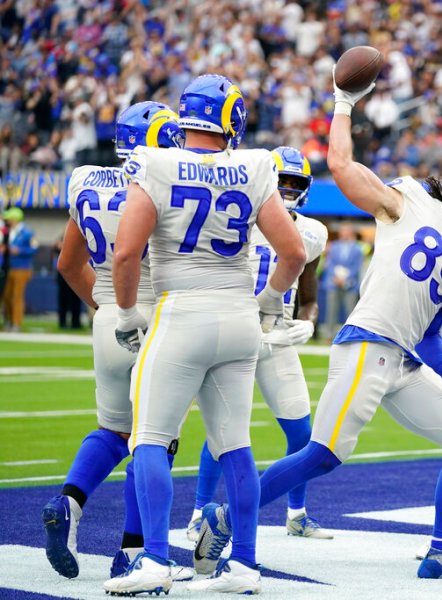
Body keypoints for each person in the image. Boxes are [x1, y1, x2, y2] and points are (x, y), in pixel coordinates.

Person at [192, 71, 442, 581]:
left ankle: (441, 551)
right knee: (322, 455)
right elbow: (341, 165)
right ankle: (224, 517)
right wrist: (343, 103)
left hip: (405, 358)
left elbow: (429, 331)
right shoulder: (409, 201)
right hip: (366, 343)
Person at [103, 74, 306, 596]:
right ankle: (244, 566)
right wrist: (266, 303)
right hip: (239, 316)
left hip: (180, 313)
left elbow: (126, 253)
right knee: (235, 444)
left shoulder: (156, 163)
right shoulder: (257, 164)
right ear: (232, 118)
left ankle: (152, 560)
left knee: (150, 436)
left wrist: (126, 314)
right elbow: (294, 254)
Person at [42, 101, 190, 582]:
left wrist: (106, 309)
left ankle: (69, 502)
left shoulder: (86, 180)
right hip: (156, 318)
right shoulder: (164, 182)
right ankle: (131, 551)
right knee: (153, 441)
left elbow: (67, 263)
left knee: (113, 431)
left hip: (109, 318)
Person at [185, 146, 332, 542]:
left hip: (278, 339)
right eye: (280, 181)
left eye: (294, 183)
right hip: (236, 331)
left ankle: (297, 513)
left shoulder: (313, 231)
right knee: (223, 431)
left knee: (304, 434)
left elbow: (310, 289)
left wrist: (308, 321)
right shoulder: (241, 218)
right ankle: (200, 512)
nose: (286, 189)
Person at [322, 222, 364, 340]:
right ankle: (329, 335)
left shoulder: (357, 248)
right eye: (342, 231)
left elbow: (357, 266)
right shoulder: (333, 246)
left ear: (351, 233)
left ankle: (350, 336)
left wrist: (346, 278)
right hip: (333, 283)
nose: (344, 233)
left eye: (347, 231)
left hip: (350, 284)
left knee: (350, 311)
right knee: (331, 311)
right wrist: (336, 277)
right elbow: (329, 264)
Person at [1, 206, 37, 331]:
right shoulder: (8, 232)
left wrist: (19, 251)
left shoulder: (28, 233)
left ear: (15, 219)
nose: (7, 221)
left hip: (22, 268)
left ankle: (16, 323)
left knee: (17, 296)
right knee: (6, 295)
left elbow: (34, 248)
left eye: (9, 218)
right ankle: (9, 320)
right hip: (8, 268)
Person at [53, 233, 84, 329]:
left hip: (76, 274)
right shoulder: (62, 238)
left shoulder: (79, 240)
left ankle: (76, 322)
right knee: (63, 300)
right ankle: (62, 322)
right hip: (63, 276)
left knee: (75, 300)